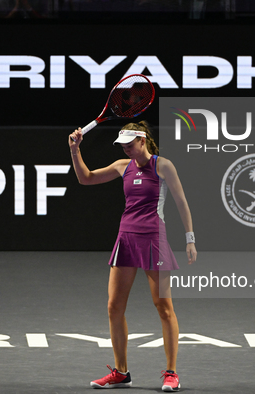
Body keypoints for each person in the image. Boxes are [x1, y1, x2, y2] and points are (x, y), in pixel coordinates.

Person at [68, 121, 197, 392]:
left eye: (129, 144)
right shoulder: (121, 166)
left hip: (154, 241)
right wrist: (75, 150)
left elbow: (181, 201)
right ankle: (121, 372)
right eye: (122, 145)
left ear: (142, 141)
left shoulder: (163, 166)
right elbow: (86, 178)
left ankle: (171, 373)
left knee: (163, 307)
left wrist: (189, 239)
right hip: (126, 240)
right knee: (114, 307)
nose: (125, 149)